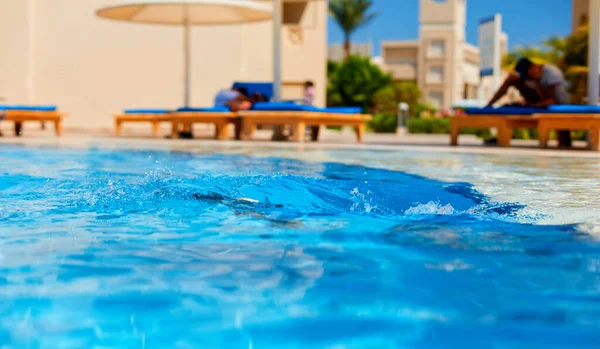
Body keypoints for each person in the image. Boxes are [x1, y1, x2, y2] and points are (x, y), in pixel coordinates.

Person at [486, 58, 571, 146]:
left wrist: (534, 98)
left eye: (527, 76)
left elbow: (550, 100)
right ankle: (488, 106)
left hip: (556, 102)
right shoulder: (532, 77)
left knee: (564, 143)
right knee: (512, 78)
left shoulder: (552, 73)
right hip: (541, 101)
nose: (528, 78)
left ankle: (564, 140)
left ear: (532, 68)